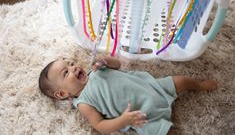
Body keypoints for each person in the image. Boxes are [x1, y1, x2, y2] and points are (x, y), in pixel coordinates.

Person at [38, 56, 217, 135]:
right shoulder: (84, 102)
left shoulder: (95, 70)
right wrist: (124, 120)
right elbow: (100, 125)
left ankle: (200, 86)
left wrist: (106, 60)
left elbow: (117, 65)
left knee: (181, 81)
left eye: (71, 63)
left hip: (153, 87)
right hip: (141, 116)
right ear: (61, 93)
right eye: (66, 72)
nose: (74, 67)